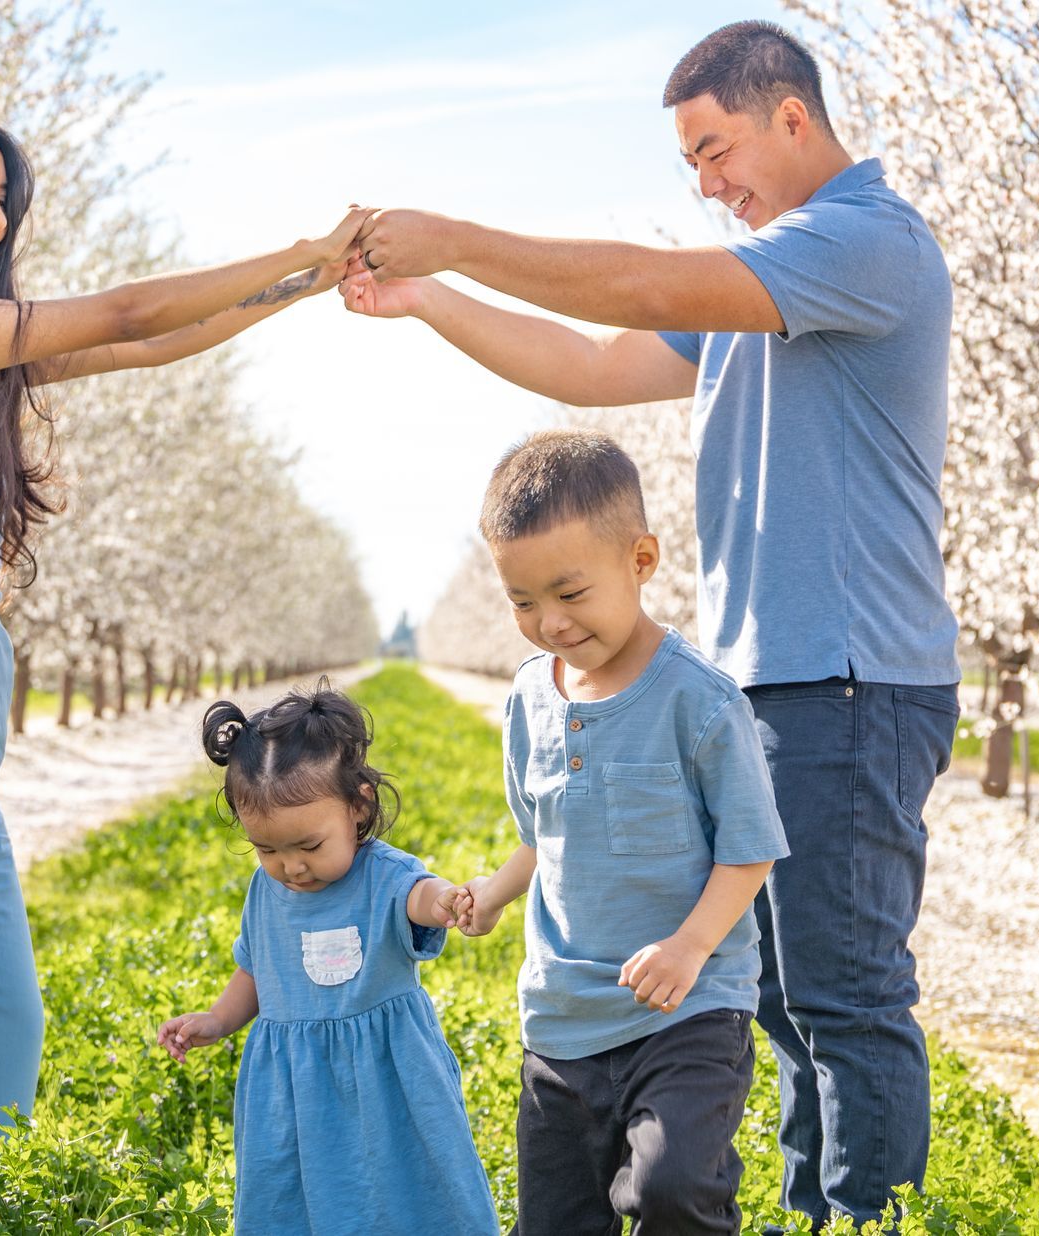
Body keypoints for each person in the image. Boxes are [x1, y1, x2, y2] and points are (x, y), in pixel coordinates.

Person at [339, 22, 962, 1228]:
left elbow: (636, 283)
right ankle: (815, 1209)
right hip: (765, 684)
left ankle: (872, 1219)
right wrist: (428, 298)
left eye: (715, 149)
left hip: (845, 678)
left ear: (792, 116)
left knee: (843, 1000)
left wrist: (461, 234)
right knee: (775, 1000)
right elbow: (586, 361)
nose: (707, 184)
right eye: (689, 162)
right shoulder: (768, 281)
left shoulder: (862, 241)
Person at [0, 93, 369, 1158]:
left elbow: (149, 345)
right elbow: (117, 312)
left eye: (3, 200)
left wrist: (302, 286)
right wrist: (299, 242)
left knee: (6, 1020)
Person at [440, 431, 786, 1234]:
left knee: (672, 1191)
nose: (549, 622)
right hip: (563, 1016)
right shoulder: (530, 698)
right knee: (557, 1218)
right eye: (522, 601)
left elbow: (750, 846)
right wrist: (493, 894)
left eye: (569, 593)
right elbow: (544, 831)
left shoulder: (698, 701)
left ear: (640, 560)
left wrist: (691, 946)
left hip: (687, 1010)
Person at [157, 685, 498, 1234]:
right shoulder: (265, 893)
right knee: (294, 1201)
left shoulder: (382, 875)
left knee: (407, 1194)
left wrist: (448, 901)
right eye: (267, 849)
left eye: (309, 847)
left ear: (358, 805)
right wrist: (219, 1020)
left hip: (386, 1081)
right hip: (291, 1090)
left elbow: (421, 895)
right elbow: (256, 968)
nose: (291, 867)